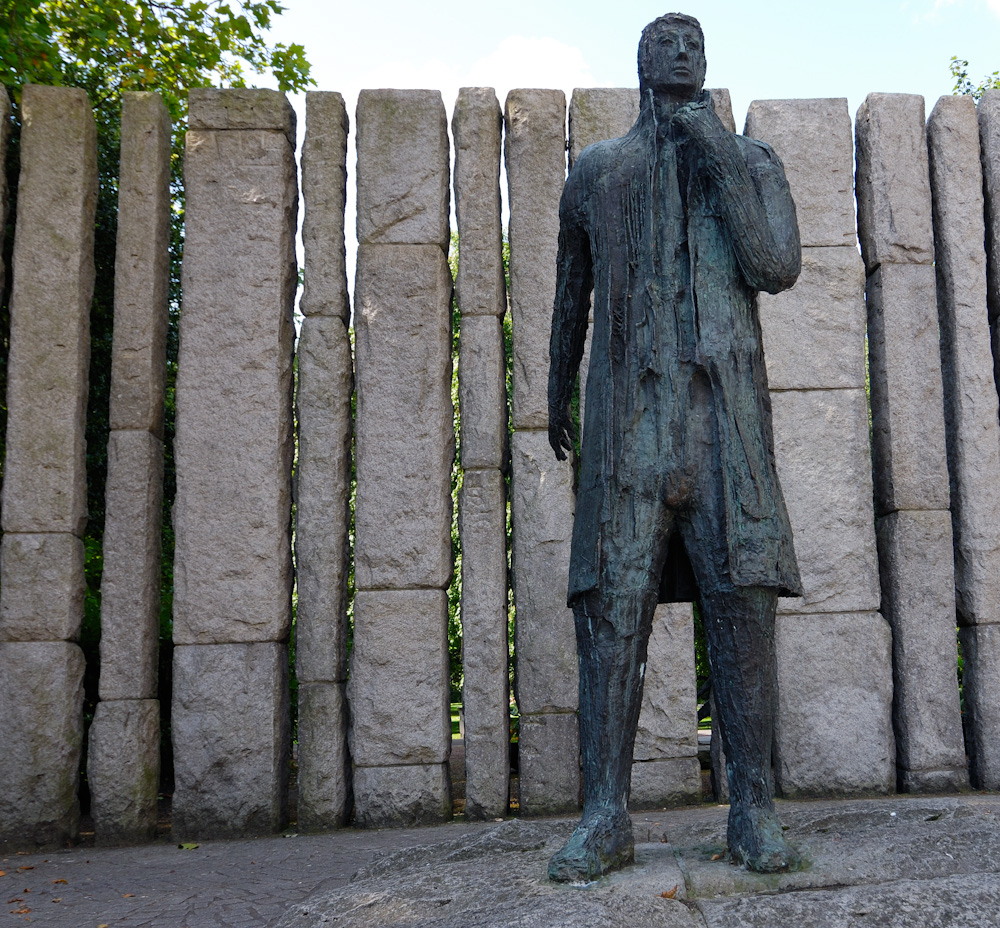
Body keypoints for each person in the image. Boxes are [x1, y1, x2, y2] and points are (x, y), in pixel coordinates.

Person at [547, 12, 803, 881]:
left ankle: (754, 812)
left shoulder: (754, 161)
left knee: (745, 610)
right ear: (641, 63)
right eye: (666, 40)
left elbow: (774, 265)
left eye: (695, 39)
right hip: (627, 432)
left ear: (710, 61)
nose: (683, 49)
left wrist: (719, 156)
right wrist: (554, 393)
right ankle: (604, 816)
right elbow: (569, 298)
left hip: (724, 424)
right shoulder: (596, 172)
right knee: (610, 616)